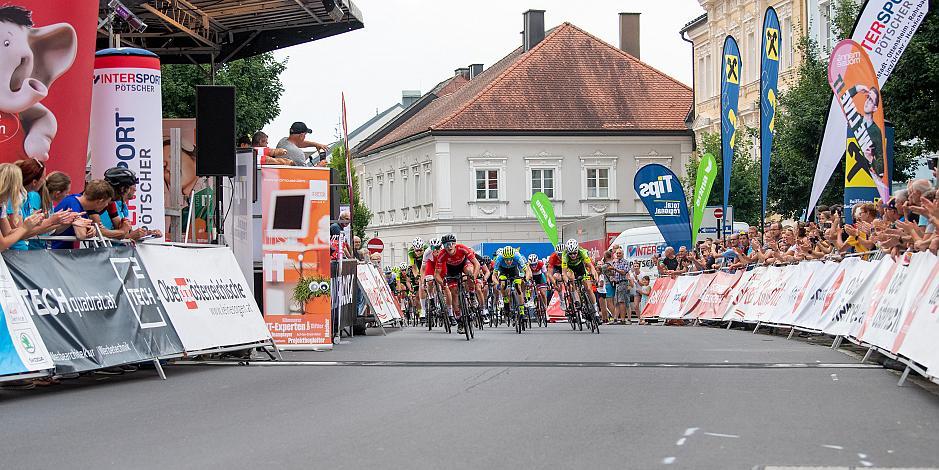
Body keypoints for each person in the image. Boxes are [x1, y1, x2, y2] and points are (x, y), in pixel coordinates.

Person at [92, 167, 162, 241]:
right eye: (131, 187)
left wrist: (145, 233)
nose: (134, 190)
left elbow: (121, 229)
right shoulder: (97, 200)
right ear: (122, 188)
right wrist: (125, 233)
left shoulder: (111, 203)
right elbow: (99, 231)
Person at [50, 180, 114, 249]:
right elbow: (81, 235)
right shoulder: (73, 205)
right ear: (99, 201)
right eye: (106, 202)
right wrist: (91, 229)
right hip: (55, 252)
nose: (106, 205)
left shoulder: (77, 199)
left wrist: (91, 228)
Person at [0, 163, 44, 251]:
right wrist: (25, 228)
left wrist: (30, 224)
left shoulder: (2, 206)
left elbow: (8, 233)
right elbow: (2, 245)